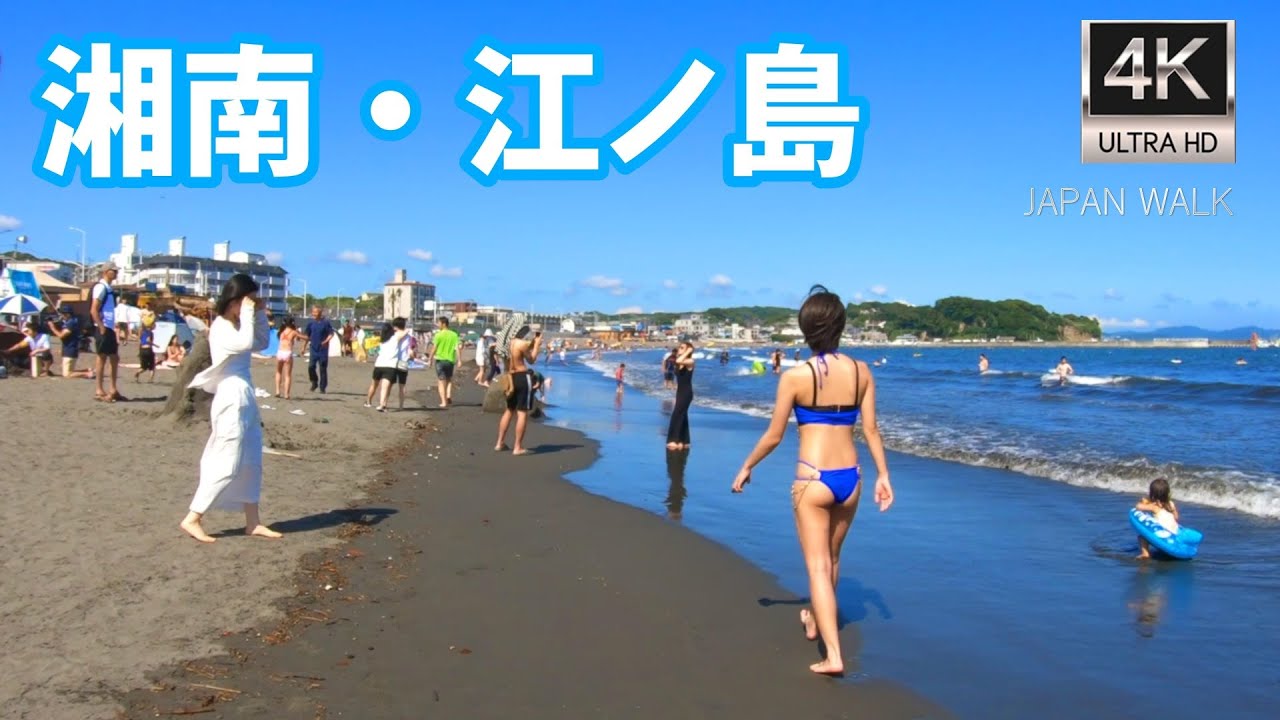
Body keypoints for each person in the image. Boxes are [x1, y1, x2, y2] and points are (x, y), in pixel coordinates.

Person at [731, 284, 894, 676]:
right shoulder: (862, 371)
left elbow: (774, 435)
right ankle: (815, 618)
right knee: (833, 560)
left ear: (806, 329)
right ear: (840, 326)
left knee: (818, 568)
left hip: (813, 480)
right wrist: (883, 475)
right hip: (851, 479)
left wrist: (747, 465)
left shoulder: (796, 376)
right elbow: (871, 430)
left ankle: (833, 656)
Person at [180, 274, 282, 543]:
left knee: (251, 460)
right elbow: (246, 343)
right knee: (227, 457)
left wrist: (257, 313)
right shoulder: (222, 326)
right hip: (230, 395)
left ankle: (253, 522)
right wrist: (249, 312)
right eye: (249, 299)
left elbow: (261, 342)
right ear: (236, 300)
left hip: (244, 392)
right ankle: (194, 516)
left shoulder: (236, 325)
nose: (253, 304)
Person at [495, 324, 543, 455]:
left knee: (509, 410)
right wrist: (537, 345)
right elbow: (531, 359)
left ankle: (500, 442)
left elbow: (522, 350)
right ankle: (517, 447)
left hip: (511, 377)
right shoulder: (521, 344)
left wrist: (533, 343)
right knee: (522, 413)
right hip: (522, 377)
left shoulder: (505, 345)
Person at [91, 264, 125, 402]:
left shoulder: (109, 288)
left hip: (109, 327)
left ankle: (113, 389)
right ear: (106, 272)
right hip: (103, 327)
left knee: (114, 358)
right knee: (101, 358)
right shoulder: (101, 287)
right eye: (114, 271)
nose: (116, 273)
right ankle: (99, 390)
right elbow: (94, 309)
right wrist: (101, 326)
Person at [369, 318, 411, 412]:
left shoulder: (392, 336)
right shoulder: (407, 335)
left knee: (388, 384)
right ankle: (401, 406)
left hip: (393, 362)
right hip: (403, 361)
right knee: (402, 385)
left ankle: (384, 404)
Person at [1135, 478, 1180, 559]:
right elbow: (1176, 518)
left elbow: (1138, 507)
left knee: (1142, 536)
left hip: (1162, 534)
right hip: (1173, 533)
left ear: (1152, 495)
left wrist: (1143, 501)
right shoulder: (1171, 504)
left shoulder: (1154, 506)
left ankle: (1145, 554)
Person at [48, 305, 93, 379]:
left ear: (68, 314)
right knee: (69, 370)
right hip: (69, 348)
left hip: (70, 349)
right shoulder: (70, 321)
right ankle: (87, 370)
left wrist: (52, 328)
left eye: (63, 314)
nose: (61, 315)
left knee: (67, 374)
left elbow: (61, 335)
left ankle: (87, 373)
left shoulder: (71, 323)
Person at [666, 342, 695, 450]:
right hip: (680, 392)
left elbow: (678, 360)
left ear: (688, 350)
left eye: (682, 348)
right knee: (682, 415)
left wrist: (689, 351)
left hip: (687, 392)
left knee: (677, 414)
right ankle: (683, 441)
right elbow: (677, 362)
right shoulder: (680, 362)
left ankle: (674, 440)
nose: (679, 349)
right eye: (679, 347)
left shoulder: (690, 361)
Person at [427, 316, 460, 408]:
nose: (438, 325)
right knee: (449, 379)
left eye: (439, 323)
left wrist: (429, 359)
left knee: (441, 381)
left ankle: (444, 402)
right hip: (450, 361)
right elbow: (457, 348)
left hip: (440, 360)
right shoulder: (454, 335)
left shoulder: (438, 335)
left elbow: (434, 348)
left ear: (444, 324)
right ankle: (448, 396)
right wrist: (460, 360)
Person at [303, 306, 334, 393]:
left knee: (322, 368)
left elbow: (331, 334)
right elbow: (307, 336)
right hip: (313, 349)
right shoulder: (310, 324)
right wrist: (303, 347)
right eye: (313, 312)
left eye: (316, 312)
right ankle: (314, 382)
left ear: (320, 313)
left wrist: (326, 341)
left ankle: (322, 387)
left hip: (323, 350)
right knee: (311, 367)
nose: (314, 314)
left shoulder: (325, 323)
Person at [274, 317, 303, 399]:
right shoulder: (293, 332)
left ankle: (277, 391)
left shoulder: (281, 331)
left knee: (278, 372)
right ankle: (286, 394)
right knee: (287, 375)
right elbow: (303, 337)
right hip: (287, 352)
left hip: (279, 352)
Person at [134, 315, 157, 382]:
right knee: (152, 366)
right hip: (148, 350)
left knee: (143, 367)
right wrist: (155, 345)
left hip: (142, 350)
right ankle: (150, 379)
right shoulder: (150, 333)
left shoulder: (142, 332)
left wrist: (139, 352)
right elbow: (148, 340)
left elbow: (140, 342)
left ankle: (138, 372)